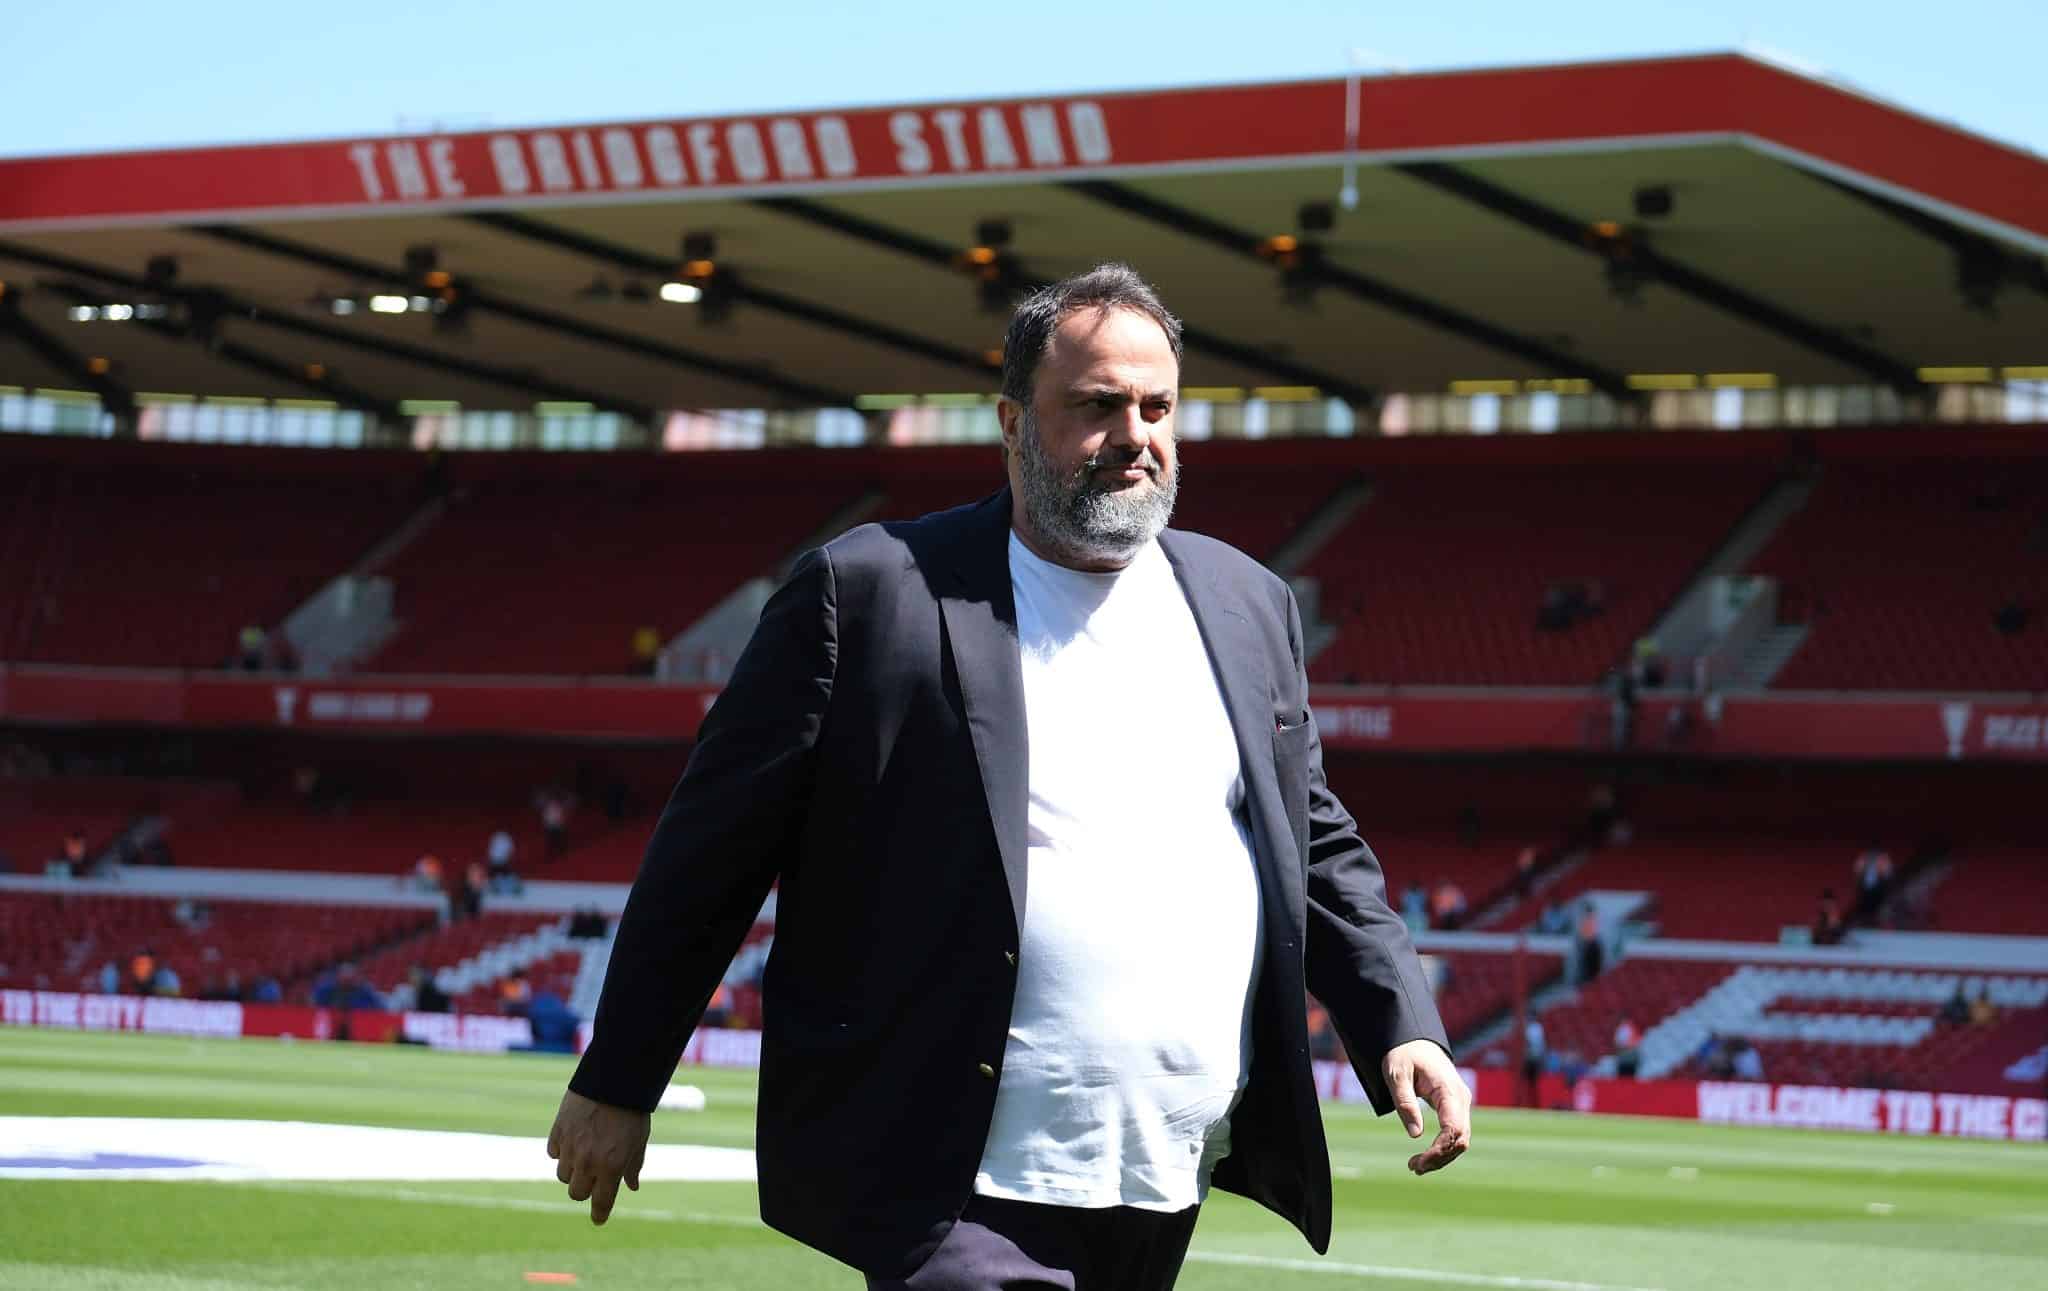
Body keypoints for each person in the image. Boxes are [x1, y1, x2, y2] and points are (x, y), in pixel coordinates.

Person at [546, 265, 1468, 1289]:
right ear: (1010, 422)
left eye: (1157, 407)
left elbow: (1312, 837)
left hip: (1164, 1168)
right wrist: (620, 1076)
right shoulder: (871, 591)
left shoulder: (1247, 601)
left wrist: (1399, 1019)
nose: (1135, 435)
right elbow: (712, 849)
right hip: (954, 1178)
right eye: (1097, 405)